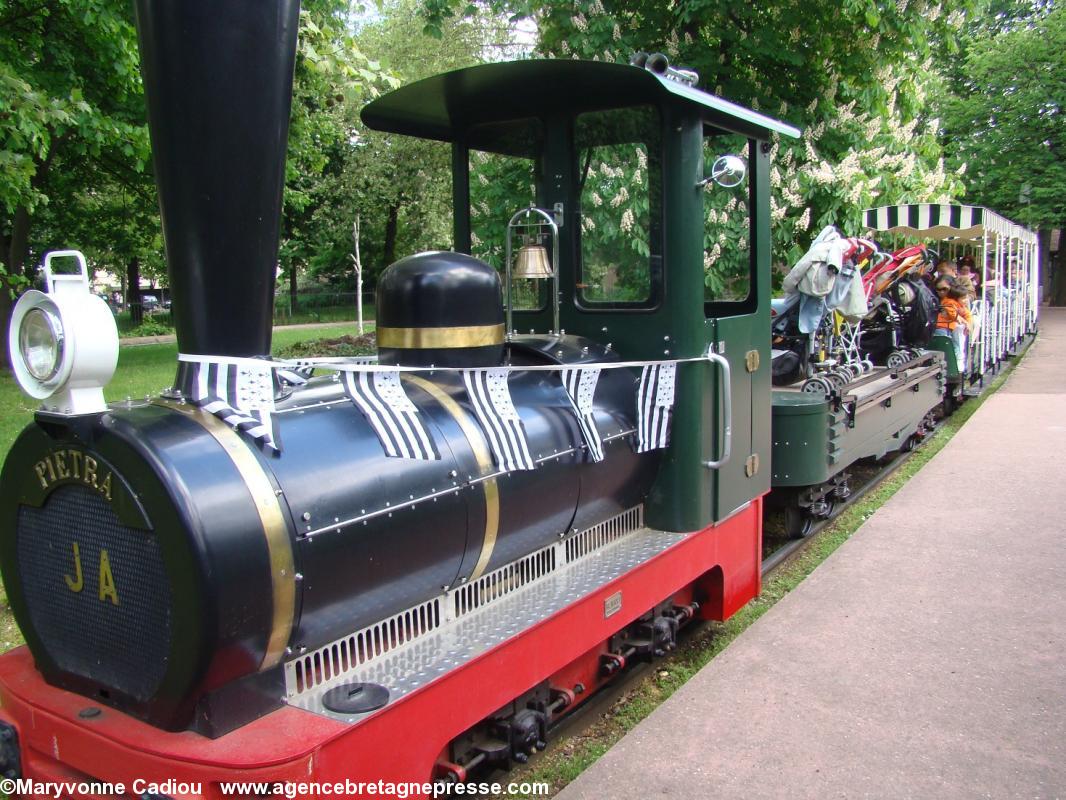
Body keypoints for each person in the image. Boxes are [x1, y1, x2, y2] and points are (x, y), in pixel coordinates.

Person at [933, 277, 972, 369]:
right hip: (942, 326)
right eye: (938, 289)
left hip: (949, 328)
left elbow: (967, 314)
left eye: (944, 289)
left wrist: (968, 323)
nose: (941, 292)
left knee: (954, 345)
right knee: (948, 345)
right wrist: (961, 320)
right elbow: (952, 312)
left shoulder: (957, 304)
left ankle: (956, 365)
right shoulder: (948, 302)